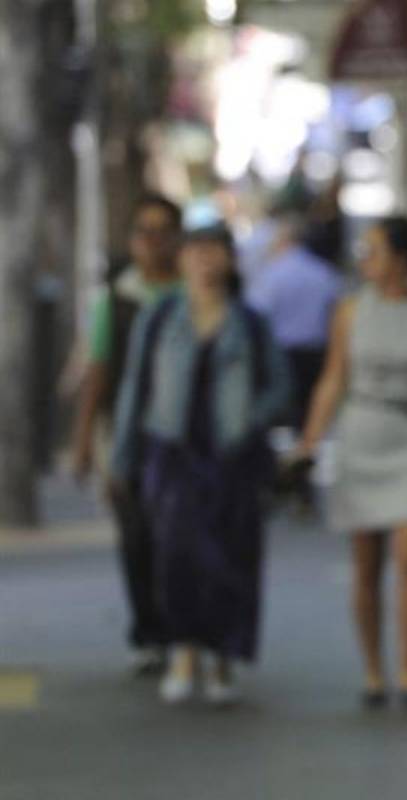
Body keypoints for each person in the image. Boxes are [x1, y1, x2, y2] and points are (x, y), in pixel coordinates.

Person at [293, 216, 407, 708]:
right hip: (360, 439)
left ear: (402, 258)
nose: (365, 259)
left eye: (373, 250)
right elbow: (333, 377)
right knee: (366, 564)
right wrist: (309, 441)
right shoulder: (350, 311)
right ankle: (374, 671)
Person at [110, 224, 291, 706]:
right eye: (196, 252)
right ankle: (184, 651)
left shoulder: (249, 322)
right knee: (175, 556)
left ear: (230, 261)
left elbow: (280, 387)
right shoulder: (161, 317)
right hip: (172, 452)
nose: (205, 261)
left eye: (215, 252)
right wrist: (122, 457)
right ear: (183, 259)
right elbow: (135, 386)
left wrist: (252, 419)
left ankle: (221, 658)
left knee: (231, 561)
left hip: (231, 457)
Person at [70, 193, 182, 675]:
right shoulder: (115, 300)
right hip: (126, 434)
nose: (152, 243)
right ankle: (147, 630)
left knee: (177, 535)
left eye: (162, 232)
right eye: (143, 232)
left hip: (182, 438)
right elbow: (97, 372)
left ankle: (181, 628)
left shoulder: (193, 293)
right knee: (137, 535)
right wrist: (83, 441)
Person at [245, 209, 343, 429]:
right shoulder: (324, 272)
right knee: (311, 413)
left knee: (285, 417)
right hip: (316, 353)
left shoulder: (271, 275)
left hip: (282, 354)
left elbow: (257, 313)